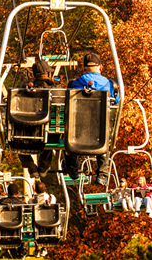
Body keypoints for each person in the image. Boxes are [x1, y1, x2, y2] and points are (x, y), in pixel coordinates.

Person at [65, 53, 118, 185]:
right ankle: (102, 173)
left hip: (77, 131)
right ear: (100, 67)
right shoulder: (110, 85)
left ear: (83, 68)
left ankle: (72, 167)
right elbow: (116, 101)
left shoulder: (74, 84)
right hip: (100, 131)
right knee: (105, 139)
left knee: (68, 135)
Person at [18, 57, 56, 180]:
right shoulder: (56, 90)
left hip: (28, 129)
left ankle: (30, 166)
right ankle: (43, 167)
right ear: (49, 74)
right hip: (50, 131)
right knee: (52, 136)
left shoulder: (24, 89)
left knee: (16, 140)